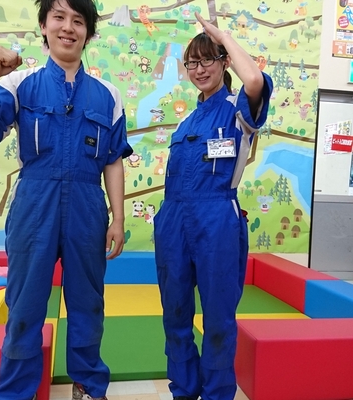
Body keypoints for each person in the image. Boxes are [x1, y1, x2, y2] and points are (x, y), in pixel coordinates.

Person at [0, 0, 132, 399]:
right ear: (43, 26)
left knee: (88, 303)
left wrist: (118, 218)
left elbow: (112, 160)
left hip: (88, 206)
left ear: (88, 33)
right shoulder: (18, 84)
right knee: (24, 305)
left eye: (78, 21)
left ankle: (88, 386)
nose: (68, 27)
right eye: (59, 17)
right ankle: (16, 392)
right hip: (34, 204)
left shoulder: (108, 95)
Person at [153, 12, 273, 400]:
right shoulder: (185, 123)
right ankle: (184, 391)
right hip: (174, 222)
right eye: (192, 63)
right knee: (175, 315)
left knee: (219, 318)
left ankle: (218, 393)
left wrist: (222, 36)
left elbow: (254, 80)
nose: (200, 69)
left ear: (224, 63)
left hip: (217, 220)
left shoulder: (239, 110)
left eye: (208, 60)